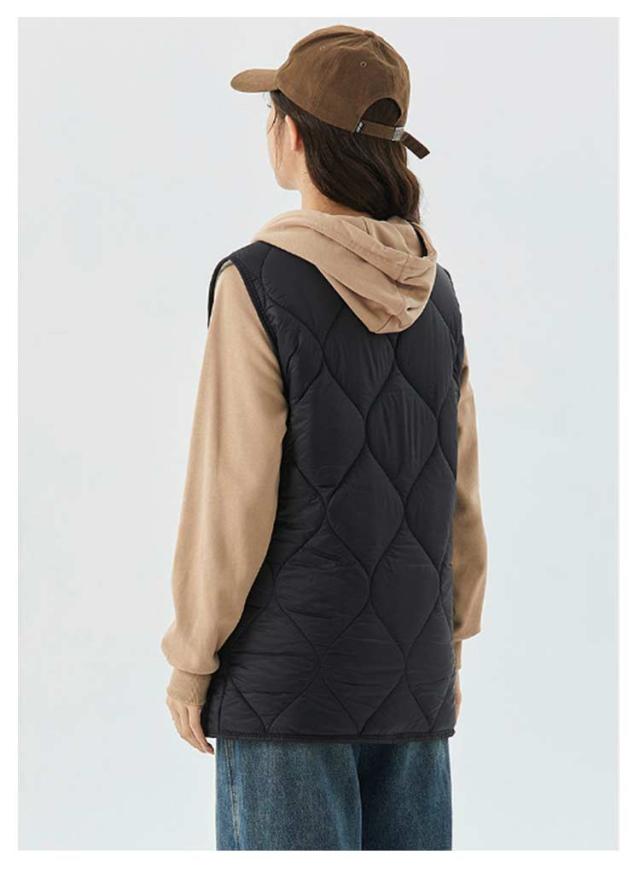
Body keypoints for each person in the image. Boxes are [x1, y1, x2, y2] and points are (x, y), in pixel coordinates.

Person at [161, 24, 487, 851]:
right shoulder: (437, 293)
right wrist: (446, 647)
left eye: (273, 114)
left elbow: (231, 494)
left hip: (287, 696)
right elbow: (459, 494)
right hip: (414, 685)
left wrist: (192, 656)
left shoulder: (257, 281)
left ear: (297, 136)